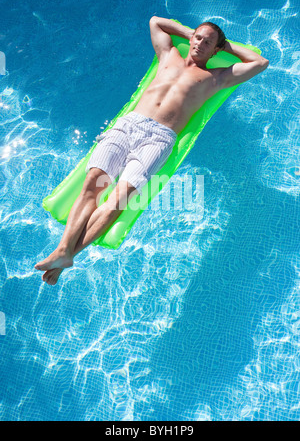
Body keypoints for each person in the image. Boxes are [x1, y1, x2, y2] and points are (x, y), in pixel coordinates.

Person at [35, 17, 269, 285]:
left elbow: (260, 63)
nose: (201, 44)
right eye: (199, 38)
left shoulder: (216, 78)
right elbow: (156, 21)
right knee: (92, 185)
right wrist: (191, 32)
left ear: (217, 50)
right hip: (128, 125)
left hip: (159, 139)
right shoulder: (168, 55)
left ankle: (68, 256)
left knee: (119, 200)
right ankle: (64, 250)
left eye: (209, 42)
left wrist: (224, 46)